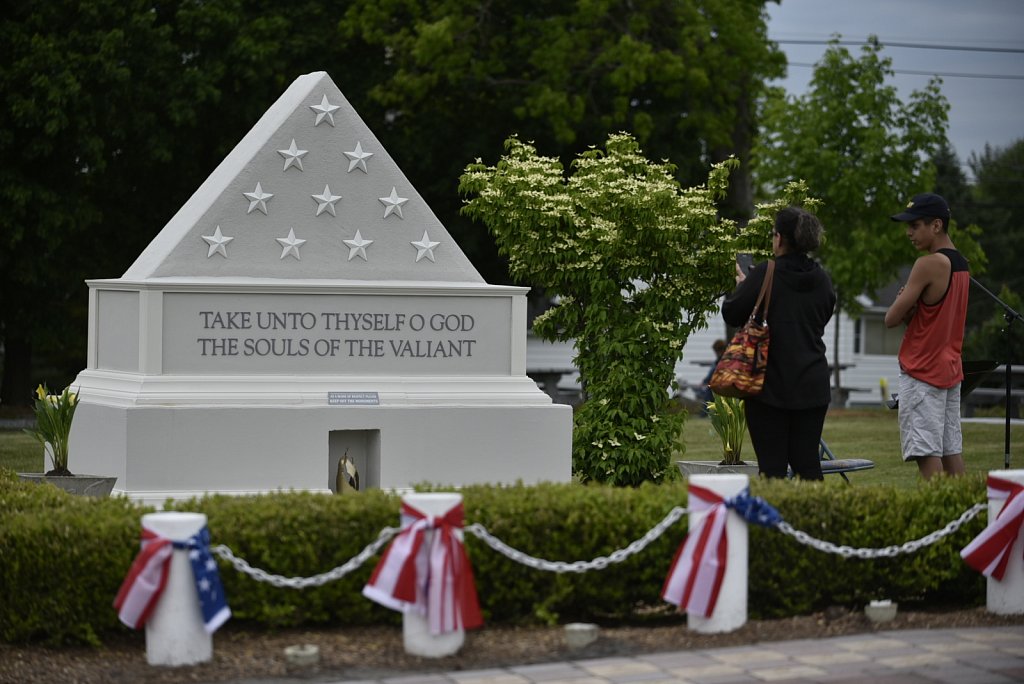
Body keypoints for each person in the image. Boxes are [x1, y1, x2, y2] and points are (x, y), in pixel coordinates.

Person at [721, 207, 836, 479]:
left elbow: (732, 312)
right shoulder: (822, 279)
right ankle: (815, 519)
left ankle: (773, 521)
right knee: (808, 466)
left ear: (780, 238)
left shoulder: (766, 273)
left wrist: (745, 287)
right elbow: (823, 315)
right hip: (812, 384)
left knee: (772, 470)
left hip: (769, 386)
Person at [884, 192, 969, 479]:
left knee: (926, 452)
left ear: (936, 225)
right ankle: (964, 512)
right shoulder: (962, 266)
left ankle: (939, 515)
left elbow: (890, 319)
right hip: (949, 368)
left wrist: (904, 303)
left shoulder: (927, 264)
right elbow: (936, 319)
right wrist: (914, 311)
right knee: (950, 449)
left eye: (915, 225)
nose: (909, 232)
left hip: (922, 370)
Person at [699, 339, 728, 411]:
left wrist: (705, 381)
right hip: (718, 382)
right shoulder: (720, 359)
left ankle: (705, 412)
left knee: (708, 391)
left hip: (721, 384)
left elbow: (712, 373)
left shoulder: (723, 359)